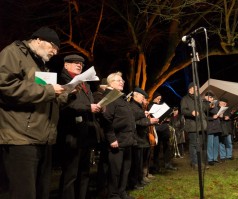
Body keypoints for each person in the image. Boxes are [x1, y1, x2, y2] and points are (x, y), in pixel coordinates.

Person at [0, 27, 65, 199]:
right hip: (20, 138)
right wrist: (49, 91)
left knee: (41, 192)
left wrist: (65, 93)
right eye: (53, 47)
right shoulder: (13, 53)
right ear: (38, 40)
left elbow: (41, 96)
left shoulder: (40, 64)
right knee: (24, 193)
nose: (55, 52)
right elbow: (5, 87)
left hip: (41, 138)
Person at [57, 54, 101, 199]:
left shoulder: (85, 83)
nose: (79, 65)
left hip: (86, 134)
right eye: (75, 63)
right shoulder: (61, 81)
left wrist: (99, 106)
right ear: (65, 65)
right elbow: (66, 104)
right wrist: (89, 107)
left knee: (84, 171)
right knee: (70, 174)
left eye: (81, 64)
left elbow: (90, 102)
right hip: (72, 134)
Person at [101, 72, 136, 199]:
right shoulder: (110, 97)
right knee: (115, 171)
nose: (122, 82)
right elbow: (106, 120)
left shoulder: (120, 97)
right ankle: (113, 194)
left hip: (127, 140)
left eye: (122, 80)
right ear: (110, 83)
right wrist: (112, 139)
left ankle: (122, 192)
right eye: (118, 80)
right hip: (117, 141)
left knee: (125, 169)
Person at [128, 87, 159, 190]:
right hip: (137, 137)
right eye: (142, 96)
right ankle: (134, 183)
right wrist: (149, 121)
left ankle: (139, 180)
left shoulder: (138, 106)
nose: (143, 99)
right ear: (135, 95)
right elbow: (135, 121)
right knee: (136, 163)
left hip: (141, 137)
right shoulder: (132, 106)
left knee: (140, 162)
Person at [180, 82, 208, 170]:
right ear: (190, 89)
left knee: (200, 144)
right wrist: (191, 113)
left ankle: (201, 162)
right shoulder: (185, 99)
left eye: (197, 89)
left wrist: (208, 105)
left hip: (201, 125)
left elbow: (203, 108)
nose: (197, 90)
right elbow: (183, 110)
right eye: (195, 88)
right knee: (193, 145)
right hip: (192, 125)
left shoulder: (199, 98)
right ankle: (194, 163)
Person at [150, 92, 177, 171]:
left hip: (165, 127)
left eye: (160, 98)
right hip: (157, 128)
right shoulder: (151, 105)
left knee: (167, 146)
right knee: (157, 147)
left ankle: (167, 163)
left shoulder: (162, 105)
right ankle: (156, 165)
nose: (159, 100)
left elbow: (168, 113)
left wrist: (172, 113)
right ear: (154, 98)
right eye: (158, 98)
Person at [204, 92, 222, 166]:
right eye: (211, 97)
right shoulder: (204, 104)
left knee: (216, 143)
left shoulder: (214, 104)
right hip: (210, 125)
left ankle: (215, 158)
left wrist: (219, 114)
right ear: (206, 97)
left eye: (212, 98)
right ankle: (210, 159)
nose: (212, 99)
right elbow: (204, 116)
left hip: (216, 125)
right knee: (210, 143)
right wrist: (212, 117)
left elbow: (216, 112)